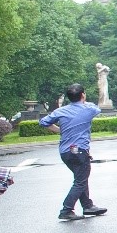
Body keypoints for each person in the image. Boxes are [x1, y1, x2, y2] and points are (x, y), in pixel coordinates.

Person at [40, 83, 107, 221]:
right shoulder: (88, 109)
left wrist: (60, 130)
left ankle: (88, 206)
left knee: (80, 178)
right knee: (80, 181)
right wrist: (84, 100)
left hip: (65, 151)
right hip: (79, 150)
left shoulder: (61, 111)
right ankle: (66, 209)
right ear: (83, 95)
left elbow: (43, 122)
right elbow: (97, 109)